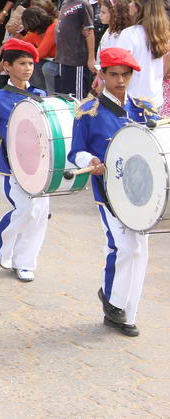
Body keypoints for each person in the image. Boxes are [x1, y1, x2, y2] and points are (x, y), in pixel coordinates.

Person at [69, 48, 156, 337]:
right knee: (126, 247)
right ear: (102, 75)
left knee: (140, 250)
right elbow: (76, 151)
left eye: (126, 75)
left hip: (142, 190)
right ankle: (113, 302)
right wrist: (89, 161)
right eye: (114, 75)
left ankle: (127, 314)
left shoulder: (143, 108)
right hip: (108, 190)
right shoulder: (88, 111)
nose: (120, 81)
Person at [0, 39, 48, 283]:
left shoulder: (40, 96)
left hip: (41, 166)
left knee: (39, 213)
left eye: (31, 63)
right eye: (22, 63)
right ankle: (4, 240)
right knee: (25, 209)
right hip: (12, 166)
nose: (28, 68)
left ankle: (25, 262)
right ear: (7, 66)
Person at [106, 0, 170, 110]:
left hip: (132, 101)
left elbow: (118, 67)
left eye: (132, 2)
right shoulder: (164, 34)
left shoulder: (129, 34)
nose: (129, 5)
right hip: (155, 100)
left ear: (139, 7)